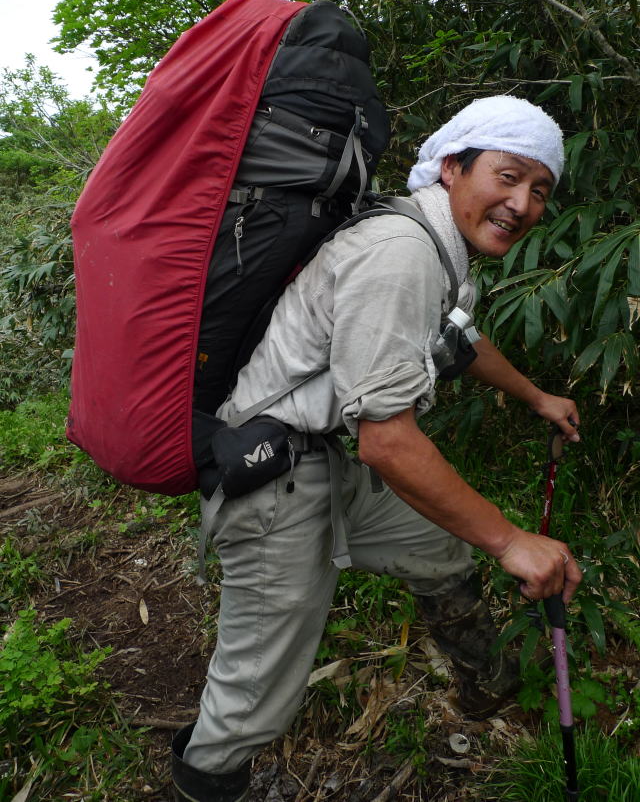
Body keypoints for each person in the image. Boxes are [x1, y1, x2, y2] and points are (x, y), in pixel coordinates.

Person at [171, 95, 583, 802]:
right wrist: (513, 540)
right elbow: (388, 443)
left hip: (318, 462)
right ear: (453, 168)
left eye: (540, 189)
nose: (522, 203)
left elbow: (458, 342)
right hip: (271, 486)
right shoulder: (400, 254)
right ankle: (206, 775)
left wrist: (536, 396)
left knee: (442, 545)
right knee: (254, 702)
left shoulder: (434, 244)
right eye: (509, 176)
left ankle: (485, 685)